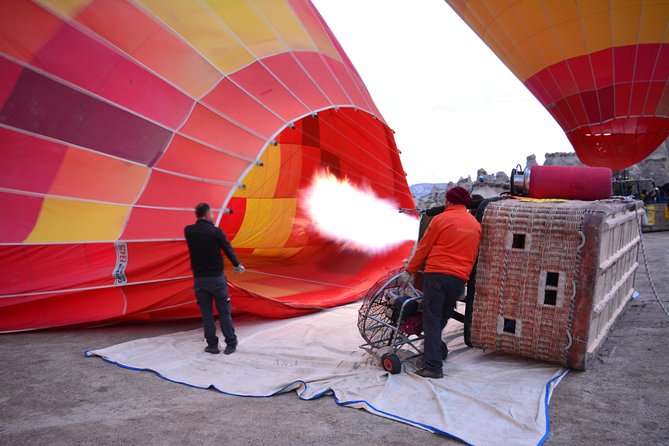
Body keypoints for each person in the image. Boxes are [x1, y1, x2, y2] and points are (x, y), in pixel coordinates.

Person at [401, 187, 481, 379]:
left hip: (437, 275)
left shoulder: (440, 219)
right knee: (442, 316)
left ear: (449, 201)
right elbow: (473, 254)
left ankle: (433, 367)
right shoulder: (475, 225)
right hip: (459, 279)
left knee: (431, 319)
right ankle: (433, 350)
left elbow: (423, 248)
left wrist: (409, 271)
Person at [184, 203, 245, 355]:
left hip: (200, 281)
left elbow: (202, 233)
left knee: (206, 314)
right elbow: (228, 249)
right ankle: (230, 342)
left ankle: (212, 345)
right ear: (206, 214)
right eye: (210, 213)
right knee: (224, 313)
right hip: (216, 280)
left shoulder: (189, 231)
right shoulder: (216, 232)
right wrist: (238, 265)